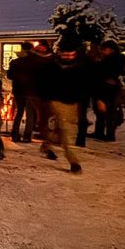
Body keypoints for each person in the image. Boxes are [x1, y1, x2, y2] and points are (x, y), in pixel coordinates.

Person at [37, 39, 87, 173]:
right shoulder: (51, 66)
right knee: (66, 130)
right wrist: (45, 98)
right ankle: (74, 162)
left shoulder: (80, 67)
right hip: (55, 101)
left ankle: (47, 143)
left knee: (60, 130)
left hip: (72, 102)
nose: (68, 57)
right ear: (60, 53)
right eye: (65, 54)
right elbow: (42, 83)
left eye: (71, 54)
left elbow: (85, 85)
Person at [92, 40, 125, 141]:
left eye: (107, 49)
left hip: (107, 89)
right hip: (101, 88)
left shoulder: (114, 60)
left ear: (112, 50)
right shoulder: (106, 59)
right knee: (100, 112)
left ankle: (109, 135)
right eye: (104, 49)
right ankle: (99, 132)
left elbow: (105, 74)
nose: (105, 51)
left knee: (108, 112)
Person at [7, 42, 38, 142]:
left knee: (19, 111)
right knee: (30, 113)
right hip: (31, 91)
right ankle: (27, 135)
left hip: (18, 90)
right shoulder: (35, 62)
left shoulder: (15, 62)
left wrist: (18, 79)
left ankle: (15, 133)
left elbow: (9, 76)